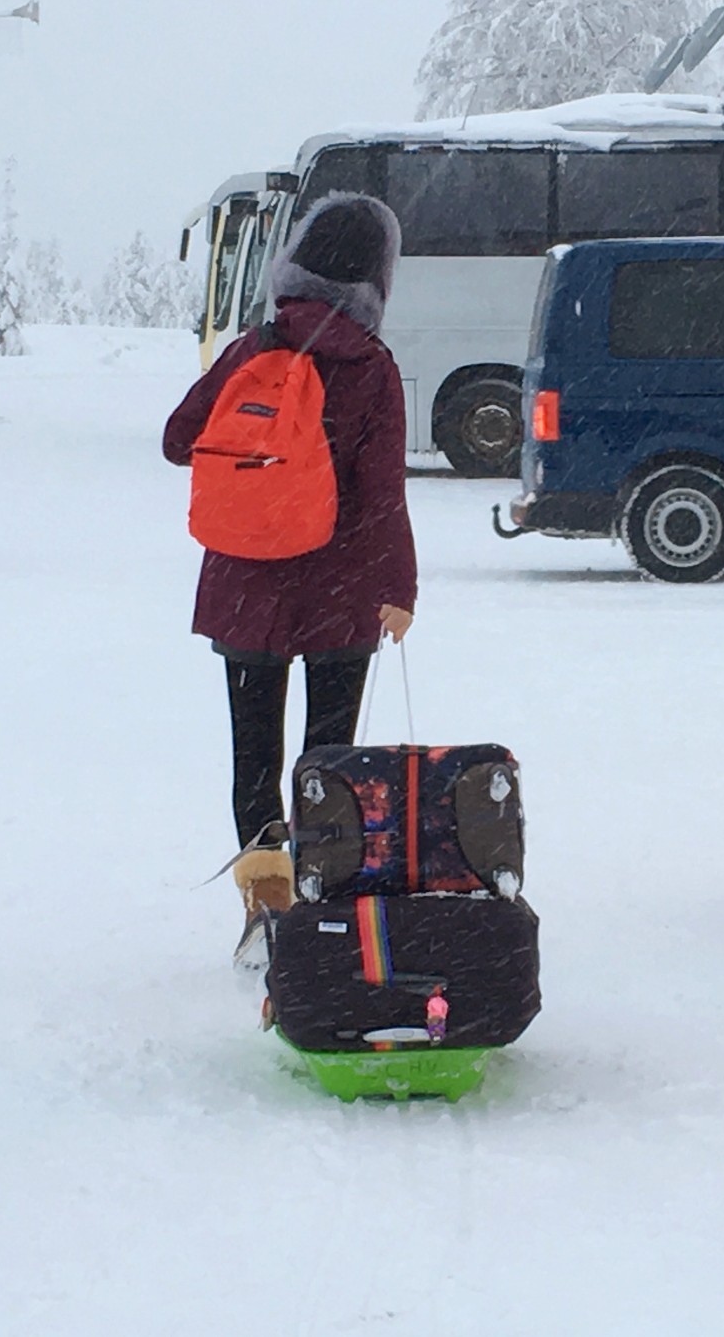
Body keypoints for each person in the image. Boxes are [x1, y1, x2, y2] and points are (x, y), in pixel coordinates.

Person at [162, 192, 416, 943]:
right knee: (329, 756)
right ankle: (325, 906)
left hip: (245, 588)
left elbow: (180, 438)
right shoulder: (371, 367)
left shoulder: (252, 348)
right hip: (339, 594)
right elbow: (381, 496)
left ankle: (264, 906)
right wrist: (396, 590)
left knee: (254, 756)